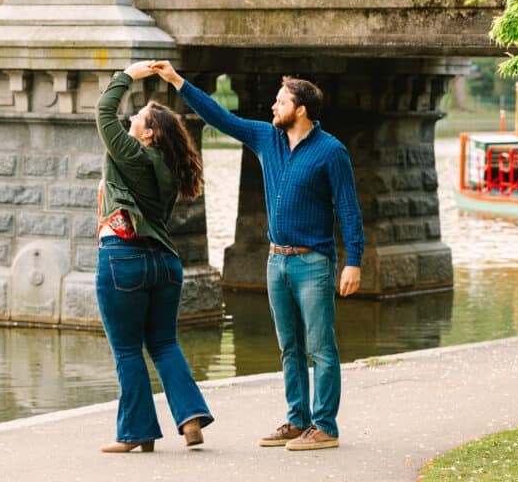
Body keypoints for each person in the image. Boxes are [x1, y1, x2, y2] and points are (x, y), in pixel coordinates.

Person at [144, 59, 364, 452]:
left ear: (301, 109)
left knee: (320, 348)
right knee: (289, 346)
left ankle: (325, 426)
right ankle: (298, 421)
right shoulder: (267, 138)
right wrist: (178, 81)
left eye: (281, 101)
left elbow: (348, 209)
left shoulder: (332, 152)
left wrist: (354, 261)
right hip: (276, 260)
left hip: (314, 262)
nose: (273, 107)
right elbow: (220, 117)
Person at [95, 62, 213, 453]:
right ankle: (190, 416)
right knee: (163, 343)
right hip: (164, 263)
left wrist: (127, 73)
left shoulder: (134, 154)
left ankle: (137, 433)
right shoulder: (166, 166)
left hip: (123, 259)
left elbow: (102, 112)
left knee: (128, 349)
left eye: (140, 117)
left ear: (148, 134)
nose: (132, 118)